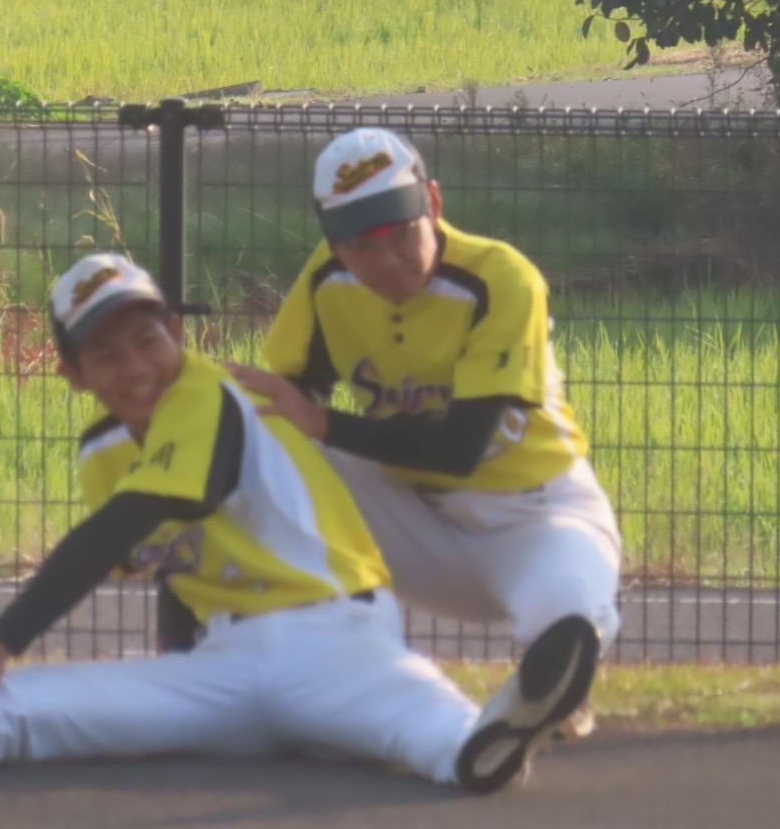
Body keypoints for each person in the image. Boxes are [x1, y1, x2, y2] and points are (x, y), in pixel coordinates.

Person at [0, 252, 562, 794]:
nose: (136, 364)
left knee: (431, 730)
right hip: (223, 671)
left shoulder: (211, 395)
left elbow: (135, 522)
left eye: (148, 338)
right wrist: (168, 673)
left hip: (338, 644)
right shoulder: (103, 448)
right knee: (14, 712)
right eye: (104, 352)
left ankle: (494, 738)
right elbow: (176, 560)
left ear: (176, 331)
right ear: (72, 374)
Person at [227, 127, 623, 785]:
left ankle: (526, 709)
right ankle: (304, 671)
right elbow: (288, 399)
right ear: (333, 243)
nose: (384, 259)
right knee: (260, 446)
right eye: (360, 244)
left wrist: (323, 423)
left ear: (433, 203)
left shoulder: (499, 278)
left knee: (566, 618)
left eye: (398, 233)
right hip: (407, 514)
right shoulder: (328, 280)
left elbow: (460, 450)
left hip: (534, 516)